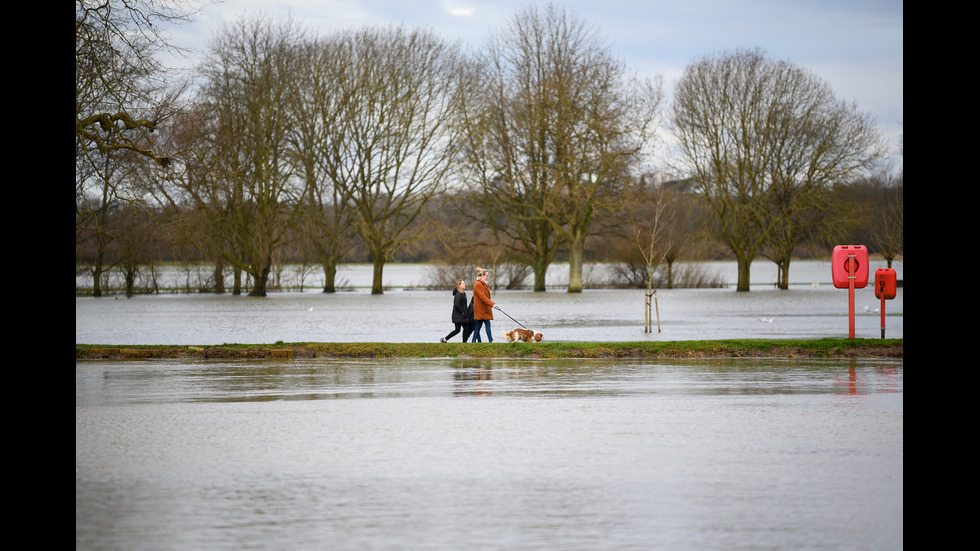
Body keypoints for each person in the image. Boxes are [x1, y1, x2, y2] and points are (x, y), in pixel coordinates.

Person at [470, 267, 497, 342]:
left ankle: (473, 341)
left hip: (483, 308)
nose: (487, 277)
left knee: (478, 326)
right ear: (482, 275)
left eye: (487, 275)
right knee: (487, 324)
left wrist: (491, 304)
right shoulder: (478, 284)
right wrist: (492, 304)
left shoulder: (483, 283)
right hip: (481, 309)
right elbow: (482, 297)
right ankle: (491, 340)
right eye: (486, 275)